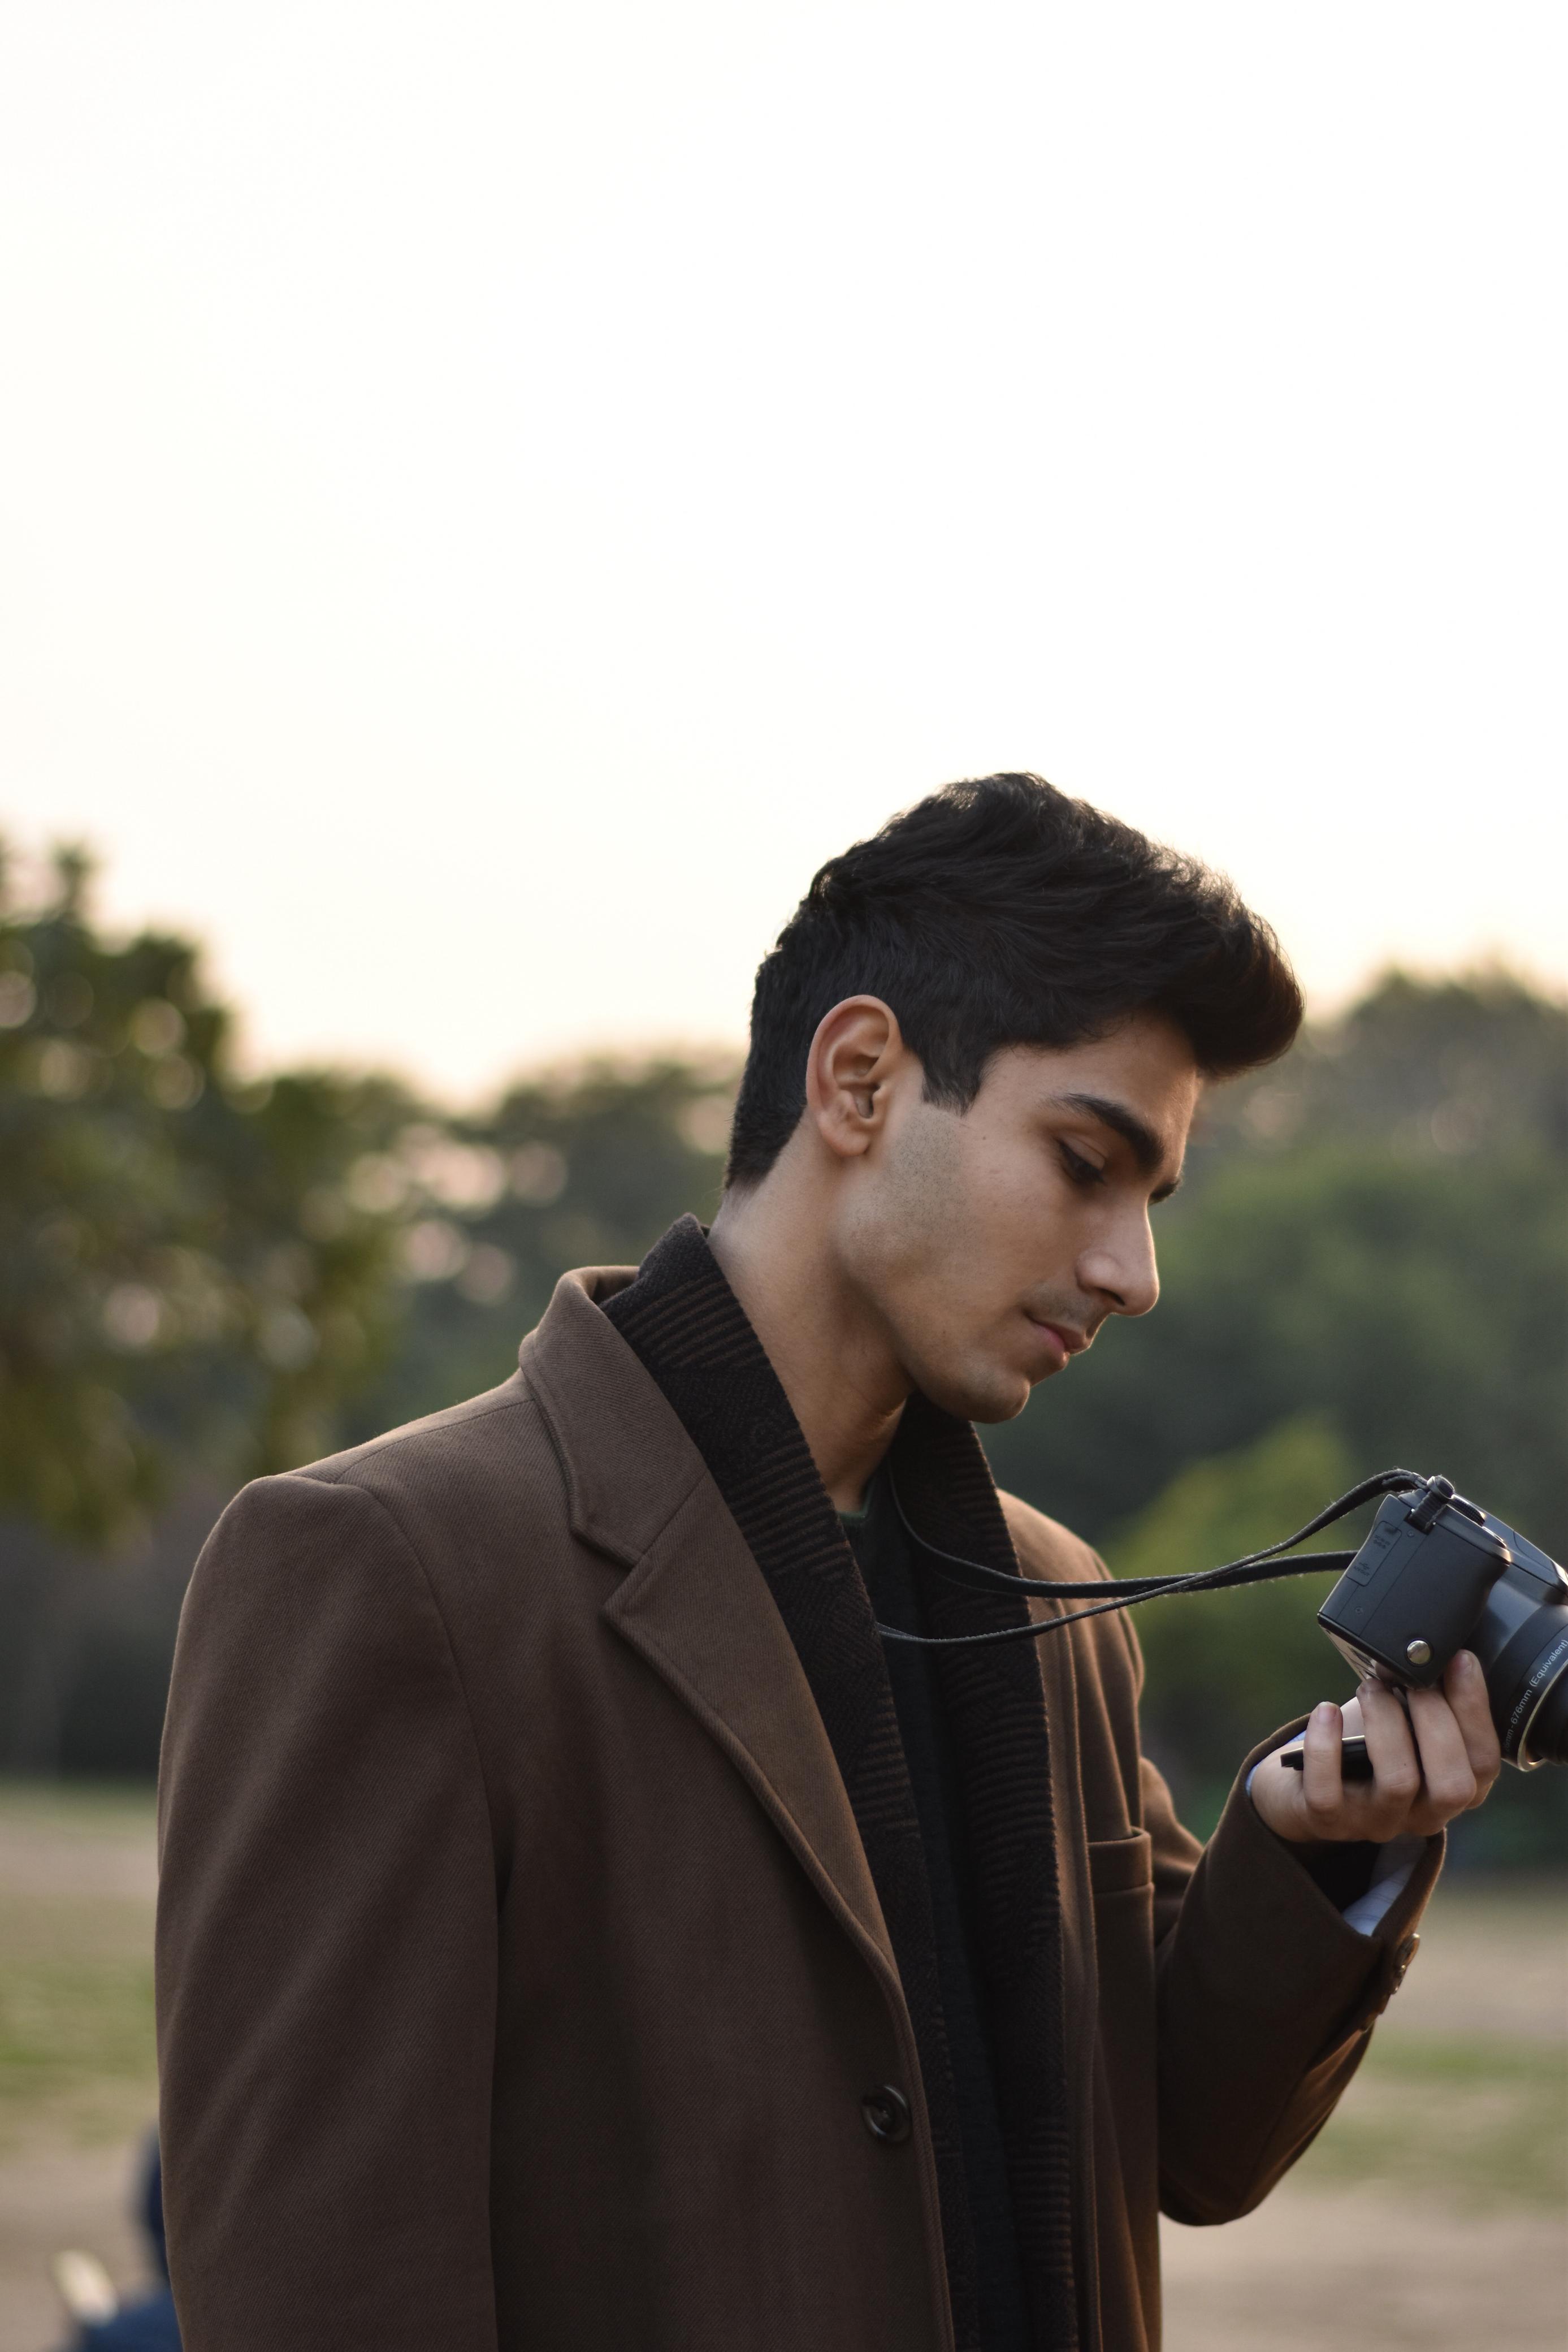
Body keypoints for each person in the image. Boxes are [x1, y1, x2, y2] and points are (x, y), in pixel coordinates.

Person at [156, 774, 1501, 2352]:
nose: (1134, 1272)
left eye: (1151, 1198)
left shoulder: (1060, 1611)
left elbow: (1181, 2147)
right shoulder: (385, 1566)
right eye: (1086, 1161)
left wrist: (1316, 1851)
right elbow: (324, 2291)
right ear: (860, 1080)